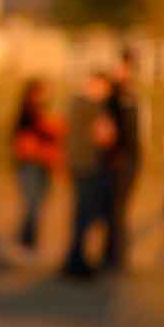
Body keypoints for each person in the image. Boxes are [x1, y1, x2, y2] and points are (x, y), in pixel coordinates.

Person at [59, 69, 119, 280]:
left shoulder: (76, 104)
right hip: (89, 166)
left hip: (81, 165)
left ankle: (76, 259)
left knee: (82, 216)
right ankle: (76, 262)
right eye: (103, 87)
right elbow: (105, 136)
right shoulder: (91, 106)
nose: (105, 91)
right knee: (84, 217)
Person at [8, 77, 64, 254]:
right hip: (30, 165)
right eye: (42, 92)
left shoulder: (43, 113)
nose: (45, 96)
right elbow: (24, 143)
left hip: (44, 164)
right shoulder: (26, 114)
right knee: (32, 203)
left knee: (38, 204)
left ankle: (30, 242)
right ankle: (26, 242)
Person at [101, 47, 142, 272]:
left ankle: (115, 257)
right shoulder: (113, 95)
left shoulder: (130, 96)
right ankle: (113, 256)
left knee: (118, 209)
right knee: (113, 209)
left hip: (128, 158)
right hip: (117, 158)